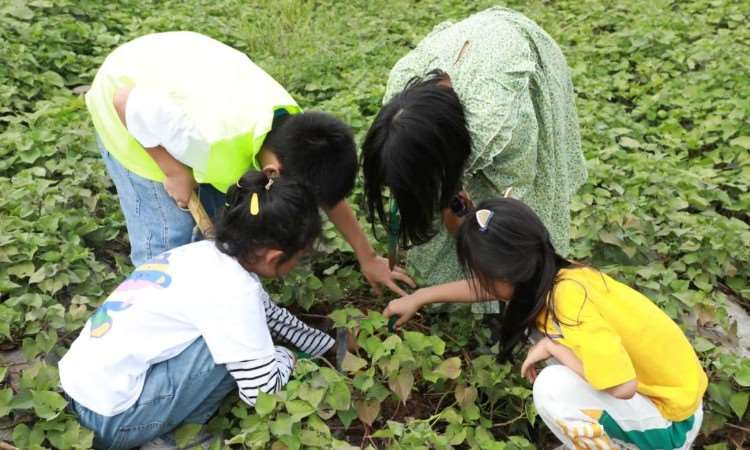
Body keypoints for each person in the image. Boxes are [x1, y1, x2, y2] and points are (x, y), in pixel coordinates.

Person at [88, 31, 413, 295]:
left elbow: (323, 191)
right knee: (169, 235)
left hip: (177, 64)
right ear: (271, 173)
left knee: (218, 216)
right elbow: (126, 101)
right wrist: (174, 171)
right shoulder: (210, 136)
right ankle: (152, 306)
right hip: (127, 98)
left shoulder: (300, 134)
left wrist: (366, 255)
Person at [384, 197, 707, 450]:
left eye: (483, 276)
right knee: (550, 352)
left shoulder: (569, 302)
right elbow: (488, 289)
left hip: (672, 424)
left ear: (506, 274)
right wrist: (420, 296)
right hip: (674, 401)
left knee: (551, 388)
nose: (481, 284)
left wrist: (554, 347)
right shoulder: (559, 275)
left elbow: (623, 387)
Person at [59, 172, 341, 449]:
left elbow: (269, 313)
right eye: (300, 257)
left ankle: (164, 424)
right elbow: (261, 392)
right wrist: (287, 357)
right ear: (274, 256)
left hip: (83, 395)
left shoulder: (201, 255)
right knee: (234, 350)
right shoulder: (235, 292)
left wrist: (327, 344)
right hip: (114, 421)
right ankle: (167, 437)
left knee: (239, 338)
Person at [361, 7, 586, 314]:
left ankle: (497, 291)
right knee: (454, 211)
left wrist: (467, 226)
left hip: (515, 54)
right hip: (470, 47)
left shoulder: (499, 120)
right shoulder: (401, 101)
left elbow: (511, 200)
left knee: (499, 228)